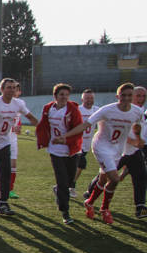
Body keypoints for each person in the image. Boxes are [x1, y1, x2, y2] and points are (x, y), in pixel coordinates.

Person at [57, 83, 144, 224]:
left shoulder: (136, 111)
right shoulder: (106, 110)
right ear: (118, 96)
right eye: (123, 95)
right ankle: (104, 209)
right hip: (101, 147)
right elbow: (86, 124)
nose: (126, 98)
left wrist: (138, 138)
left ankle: (89, 202)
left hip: (117, 149)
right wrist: (66, 136)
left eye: (129, 95)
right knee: (114, 179)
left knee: (103, 180)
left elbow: (138, 124)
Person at [0, 78, 38, 216]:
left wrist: (44, 130)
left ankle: (3, 204)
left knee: (5, 174)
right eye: (8, 87)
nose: (11, 90)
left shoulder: (18, 103)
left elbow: (31, 117)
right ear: (2, 89)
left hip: (5, 144)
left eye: (13, 87)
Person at [83, 85, 147, 217]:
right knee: (106, 177)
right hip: (117, 150)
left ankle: (139, 207)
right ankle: (91, 195)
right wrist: (135, 141)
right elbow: (120, 132)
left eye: (144, 96)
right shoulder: (116, 110)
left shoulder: (140, 112)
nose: (141, 99)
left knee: (140, 176)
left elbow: (138, 130)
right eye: (138, 96)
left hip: (133, 151)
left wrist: (140, 140)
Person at [35, 83, 84, 224]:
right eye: (61, 94)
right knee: (62, 182)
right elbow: (43, 125)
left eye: (66, 95)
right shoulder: (48, 108)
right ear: (55, 96)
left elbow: (78, 129)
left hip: (71, 150)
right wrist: (43, 140)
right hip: (55, 151)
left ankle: (58, 190)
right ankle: (65, 212)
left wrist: (65, 140)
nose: (64, 97)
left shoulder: (73, 110)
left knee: (69, 181)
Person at [73, 89, 99, 197]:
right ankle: (70, 186)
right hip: (76, 143)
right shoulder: (77, 110)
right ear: (82, 99)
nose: (89, 100)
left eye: (91, 98)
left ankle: (67, 184)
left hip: (87, 144)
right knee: (80, 164)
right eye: (87, 98)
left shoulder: (97, 110)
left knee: (78, 166)